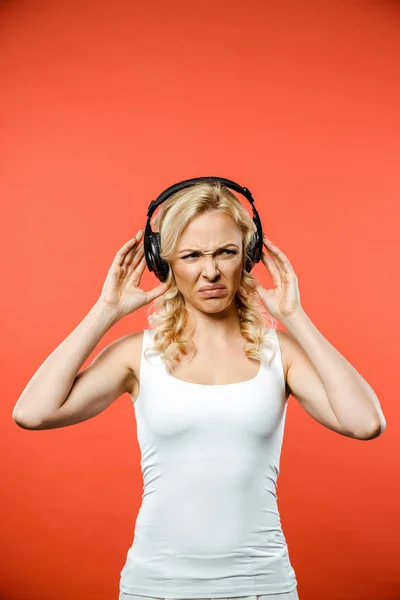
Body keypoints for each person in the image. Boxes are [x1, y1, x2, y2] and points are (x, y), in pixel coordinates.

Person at [13, 180, 385, 600]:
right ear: (164, 262)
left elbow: (365, 422)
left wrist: (295, 317)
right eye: (191, 255)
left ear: (247, 257)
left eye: (225, 252)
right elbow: (33, 413)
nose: (211, 271)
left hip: (262, 585)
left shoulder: (280, 353)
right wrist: (106, 311)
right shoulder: (138, 355)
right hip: (155, 586)